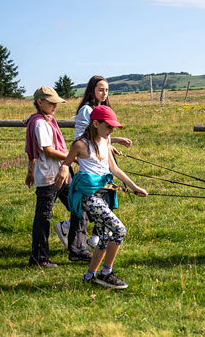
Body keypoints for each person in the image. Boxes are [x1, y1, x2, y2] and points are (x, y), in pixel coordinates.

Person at [55, 105, 148, 289]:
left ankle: (90, 276)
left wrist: (134, 187)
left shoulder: (105, 142)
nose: (111, 130)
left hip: (103, 194)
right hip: (89, 196)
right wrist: (64, 170)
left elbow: (114, 169)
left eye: (113, 127)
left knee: (105, 235)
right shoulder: (80, 144)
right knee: (119, 230)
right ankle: (106, 273)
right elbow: (66, 162)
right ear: (96, 123)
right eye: (108, 126)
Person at [55, 75, 132, 248]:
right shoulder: (87, 110)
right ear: (92, 90)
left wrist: (113, 144)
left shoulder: (102, 108)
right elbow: (83, 137)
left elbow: (102, 137)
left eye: (106, 90)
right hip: (89, 162)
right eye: (100, 89)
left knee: (100, 199)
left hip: (101, 158)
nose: (104, 93)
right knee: (88, 200)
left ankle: (90, 237)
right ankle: (80, 236)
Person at [24, 86, 92, 268]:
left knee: (79, 206)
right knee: (43, 217)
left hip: (63, 172)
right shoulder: (40, 123)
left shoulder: (49, 120)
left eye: (56, 103)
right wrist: (73, 158)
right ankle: (39, 257)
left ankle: (78, 249)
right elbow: (47, 150)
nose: (55, 106)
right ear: (40, 102)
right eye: (51, 103)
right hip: (49, 177)